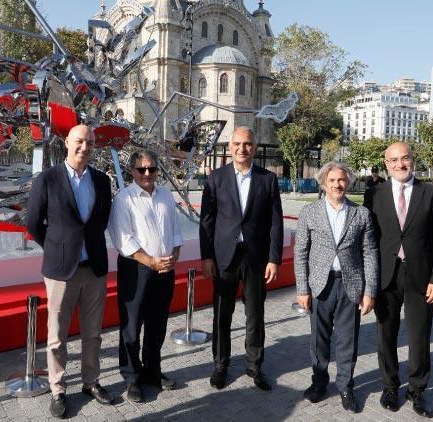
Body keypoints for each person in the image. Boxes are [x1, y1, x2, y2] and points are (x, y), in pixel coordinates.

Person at [25, 124, 114, 418]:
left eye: (90, 143)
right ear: (67, 142)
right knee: (56, 338)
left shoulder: (102, 181)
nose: (84, 147)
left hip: (95, 269)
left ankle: (90, 382)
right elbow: (33, 224)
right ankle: (58, 388)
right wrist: (58, 248)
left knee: (93, 334)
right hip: (61, 271)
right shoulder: (47, 179)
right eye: (79, 141)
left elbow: (101, 221)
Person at [365, 142, 433, 418]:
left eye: (405, 159)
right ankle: (389, 386)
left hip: (422, 279)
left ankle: (417, 389)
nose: (400, 164)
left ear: (413, 160)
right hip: (385, 277)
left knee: (419, 336)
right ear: (386, 163)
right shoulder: (374, 194)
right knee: (386, 335)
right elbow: (368, 240)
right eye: (394, 160)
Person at [199, 126, 283, 391]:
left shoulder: (267, 179)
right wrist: (207, 257)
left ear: (254, 148)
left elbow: (276, 223)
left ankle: (254, 366)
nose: (242, 149)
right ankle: (220, 365)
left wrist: (274, 258)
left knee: (255, 314)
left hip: (256, 257)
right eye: (237, 144)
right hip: (224, 256)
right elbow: (207, 221)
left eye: (247, 144)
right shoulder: (216, 178)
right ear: (230, 147)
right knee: (222, 314)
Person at [294, 162, 379, 413]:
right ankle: (319, 382)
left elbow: (370, 253)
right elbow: (301, 252)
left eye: (341, 180)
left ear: (348, 183)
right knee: (319, 340)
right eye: (331, 181)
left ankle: (345, 386)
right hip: (320, 285)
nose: (337, 185)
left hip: (350, 285)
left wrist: (369, 291)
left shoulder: (361, 213)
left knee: (347, 340)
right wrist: (302, 289)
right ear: (324, 183)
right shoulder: (309, 212)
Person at [107, 149, 183, 403]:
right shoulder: (124, 199)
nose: (147, 173)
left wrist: (174, 256)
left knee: (157, 324)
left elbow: (175, 230)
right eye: (142, 169)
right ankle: (131, 378)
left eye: (151, 168)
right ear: (133, 172)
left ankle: (152, 371)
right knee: (131, 327)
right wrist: (150, 261)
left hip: (165, 269)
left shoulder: (166, 196)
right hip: (136, 270)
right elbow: (122, 238)